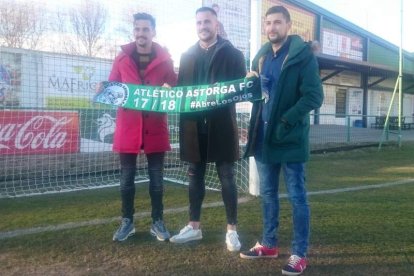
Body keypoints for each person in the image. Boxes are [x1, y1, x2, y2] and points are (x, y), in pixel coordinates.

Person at [239, 5, 323, 276]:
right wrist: (250, 85)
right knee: (268, 195)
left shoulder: (302, 57)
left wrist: (287, 120)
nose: (272, 28)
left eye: (277, 22)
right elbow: (261, 96)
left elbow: (313, 97)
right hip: (263, 139)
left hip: (289, 139)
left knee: (297, 197)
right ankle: (269, 243)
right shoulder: (261, 58)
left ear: (288, 26)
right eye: (268, 23)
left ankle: (299, 253)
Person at [169, 7, 246, 252]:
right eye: (199, 22)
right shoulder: (187, 55)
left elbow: (241, 87)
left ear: (216, 24)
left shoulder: (233, 53)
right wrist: (170, 93)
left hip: (221, 125)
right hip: (192, 126)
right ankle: (194, 227)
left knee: (227, 176)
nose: (203, 26)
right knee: (194, 176)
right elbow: (181, 90)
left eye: (207, 22)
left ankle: (232, 230)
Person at [109, 12, 177, 242]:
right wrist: (104, 89)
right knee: (126, 179)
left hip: (155, 126)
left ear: (153, 32)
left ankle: (157, 221)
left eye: (145, 29)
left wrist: (170, 90)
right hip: (128, 128)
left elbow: (178, 87)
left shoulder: (165, 59)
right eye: (137, 29)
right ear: (134, 31)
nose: (141, 33)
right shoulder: (121, 58)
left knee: (157, 180)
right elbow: (113, 88)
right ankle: (127, 221)